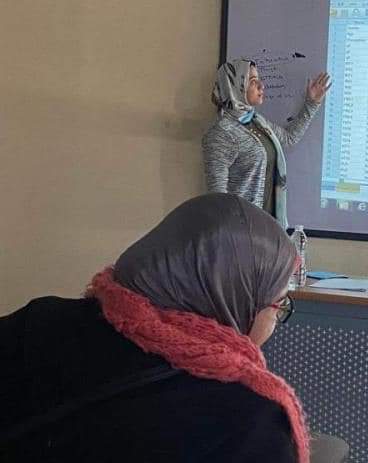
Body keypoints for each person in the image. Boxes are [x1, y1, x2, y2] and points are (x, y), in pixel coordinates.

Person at [0, 193, 348, 463]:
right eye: (278, 304)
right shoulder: (249, 418)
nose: (276, 319)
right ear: (236, 301)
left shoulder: (37, 321)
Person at [202, 58, 331, 228]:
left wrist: (312, 103)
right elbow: (217, 196)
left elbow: (289, 138)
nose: (261, 86)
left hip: (268, 226)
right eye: (253, 81)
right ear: (235, 87)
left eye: (259, 80)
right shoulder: (222, 133)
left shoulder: (257, 121)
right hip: (242, 230)